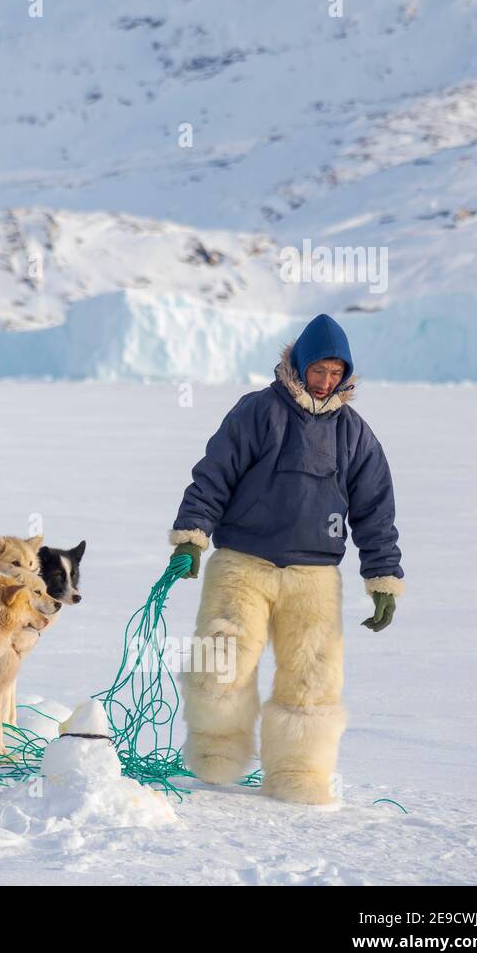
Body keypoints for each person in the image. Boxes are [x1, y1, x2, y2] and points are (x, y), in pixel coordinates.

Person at [168, 313, 404, 804]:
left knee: (313, 676)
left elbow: (375, 509)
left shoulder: (355, 435)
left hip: (314, 575)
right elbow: (214, 475)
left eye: (335, 373)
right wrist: (193, 535)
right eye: (318, 370)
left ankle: (299, 773)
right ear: (299, 366)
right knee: (220, 660)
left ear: (346, 375)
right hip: (242, 563)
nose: (325, 381)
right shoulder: (258, 411)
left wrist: (382, 578)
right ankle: (216, 756)